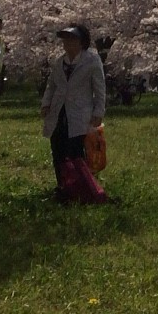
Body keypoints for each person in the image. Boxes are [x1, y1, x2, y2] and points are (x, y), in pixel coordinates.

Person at [41, 24, 107, 193]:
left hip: (79, 112)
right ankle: (62, 185)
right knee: (58, 148)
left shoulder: (91, 61)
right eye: (65, 40)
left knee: (76, 151)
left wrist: (98, 112)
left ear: (81, 42)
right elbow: (52, 85)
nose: (67, 43)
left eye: (72, 39)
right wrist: (46, 103)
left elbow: (99, 88)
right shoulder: (60, 61)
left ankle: (82, 187)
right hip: (59, 110)